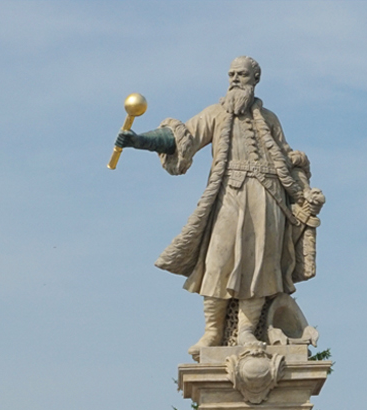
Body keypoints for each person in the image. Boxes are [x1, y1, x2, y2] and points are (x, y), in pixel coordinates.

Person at [114, 56, 324, 358]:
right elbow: (181, 137)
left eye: (242, 74)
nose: (235, 79)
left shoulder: (270, 119)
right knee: (218, 260)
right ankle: (213, 331)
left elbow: (287, 158)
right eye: (231, 74)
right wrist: (139, 141)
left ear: (255, 78)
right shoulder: (216, 113)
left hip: (268, 198)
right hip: (230, 193)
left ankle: (247, 330)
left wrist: (303, 187)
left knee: (259, 266)